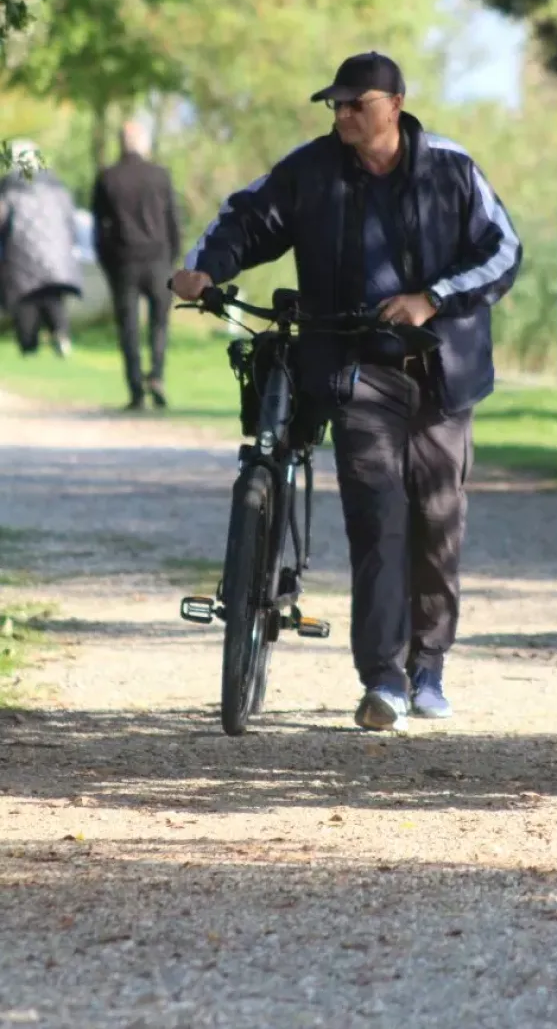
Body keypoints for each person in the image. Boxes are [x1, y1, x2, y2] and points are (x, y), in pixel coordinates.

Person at [171, 51, 522, 731]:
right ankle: (384, 680)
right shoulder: (311, 171)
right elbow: (246, 220)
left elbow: (503, 251)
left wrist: (432, 297)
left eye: (354, 103)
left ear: (393, 103)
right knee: (377, 517)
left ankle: (429, 667)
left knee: (437, 524)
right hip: (358, 368)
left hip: (442, 371)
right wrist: (202, 270)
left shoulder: (450, 168)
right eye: (335, 105)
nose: (342, 115)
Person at [91, 120, 181, 410]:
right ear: (143, 143)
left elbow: (99, 230)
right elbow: (173, 222)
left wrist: (108, 264)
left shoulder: (107, 177)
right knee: (159, 324)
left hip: (124, 261)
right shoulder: (160, 176)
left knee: (128, 328)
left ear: (121, 142)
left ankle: (135, 390)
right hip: (158, 260)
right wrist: (173, 259)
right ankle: (156, 375)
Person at [0, 139, 82, 357]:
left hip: (20, 254)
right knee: (52, 296)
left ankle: (29, 345)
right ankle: (61, 334)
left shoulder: (9, 186)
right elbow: (70, 219)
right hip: (56, 254)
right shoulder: (56, 185)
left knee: (26, 298)